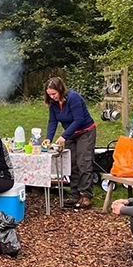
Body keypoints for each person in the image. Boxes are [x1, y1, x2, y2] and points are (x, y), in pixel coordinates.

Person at [45, 77, 97, 209]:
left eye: (54, 94)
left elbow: (79, 120)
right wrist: (48, 138)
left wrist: (64, 136)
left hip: (85, 131)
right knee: (71, 163)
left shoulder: (74, 98)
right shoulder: (53, 103)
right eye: (49, 94)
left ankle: (85, 195)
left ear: (60, 90)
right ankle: (74, 195)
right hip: (71, 134)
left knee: (83, 162)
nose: (52, 97)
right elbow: (52, 121)